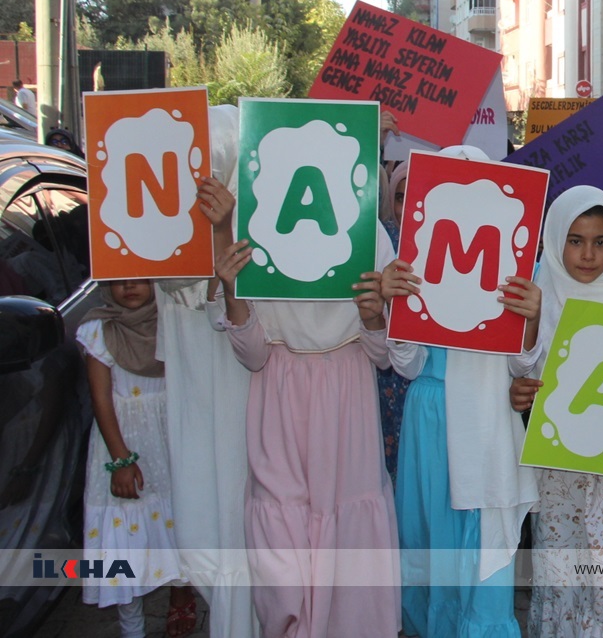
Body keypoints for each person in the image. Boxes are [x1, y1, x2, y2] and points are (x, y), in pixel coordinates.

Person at [213, 202, 423, 637]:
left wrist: (372, 315)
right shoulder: (258, 217)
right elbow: (251, 355)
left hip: (347, 402)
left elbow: (385, 355)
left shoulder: (366, 226)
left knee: (348, 544)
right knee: (282, 560)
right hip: (280, 399)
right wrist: (233, 293)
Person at [381, 145, 541, 638]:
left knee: (481, 546)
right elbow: (405, 365)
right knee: (431, 542)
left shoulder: (516, 267)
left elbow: (524, 363)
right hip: (429, 419)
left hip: (488, 419)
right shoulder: (412, 264)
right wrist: (396, 308)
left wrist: (532, 319)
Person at [507, 186, 603, 637]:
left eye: (600, 241)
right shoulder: (538, 297)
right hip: (559, 472)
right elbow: (519, 368)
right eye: (575, 241)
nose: (588, 254)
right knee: (562, 568)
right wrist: (519, 390)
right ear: (555, 240)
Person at [156, 105, 256, 638]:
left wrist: (224, 231)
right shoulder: (159, 228)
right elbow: (179, 288)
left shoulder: (255, 230)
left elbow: (232, 306)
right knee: (204, 517)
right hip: (195, 397)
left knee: (245, 523)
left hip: (245, 393)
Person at [79, 280, 195, 638]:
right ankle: (132, 625)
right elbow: (101, 401)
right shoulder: (97, 330)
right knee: (122, 540)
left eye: (140, 278)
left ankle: (181, 593)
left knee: (180, 523)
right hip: (123, 448)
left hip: (171, 442)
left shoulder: (174, 320)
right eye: (118, 280)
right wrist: (121, 460)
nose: (129, 287)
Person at [376, 158, 411, 481]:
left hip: (423, 379)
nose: (408, 205)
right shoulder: (377, 242)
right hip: (384, 377)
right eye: (400, 196)